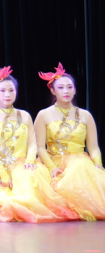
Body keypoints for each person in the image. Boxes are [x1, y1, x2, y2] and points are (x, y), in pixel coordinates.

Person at [0, 68, 76, 223]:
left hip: (23, 164)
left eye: (11, 90)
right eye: (2, 90)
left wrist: (30, 161)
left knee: (31, 186)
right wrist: (3, 174)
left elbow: (32, 143)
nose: (7, 94)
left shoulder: (24, 115)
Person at [35, 65, 105, 220]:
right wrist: (52, 167)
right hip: (52, 159)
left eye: (69, 87)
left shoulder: (85, 115)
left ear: (75, 90)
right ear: (53, 91)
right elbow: (39, 147)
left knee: (79, 169)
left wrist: (97, 164)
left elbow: (94, 147)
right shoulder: (44, 114)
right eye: (60, 87)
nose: (66, 91)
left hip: (78, 160)